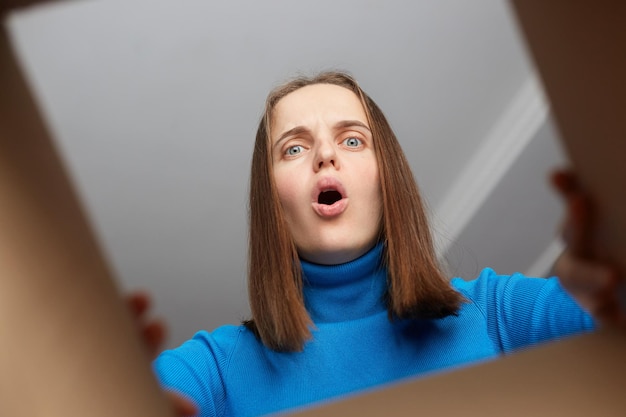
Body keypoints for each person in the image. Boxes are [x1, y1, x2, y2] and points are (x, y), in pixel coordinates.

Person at [148, 71, 624, 417]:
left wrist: (609, 281)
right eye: (294, 148)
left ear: (388, 177)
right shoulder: (213, 370)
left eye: (353, 140)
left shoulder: (496, 313)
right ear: (269, 198)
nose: (325, 155)